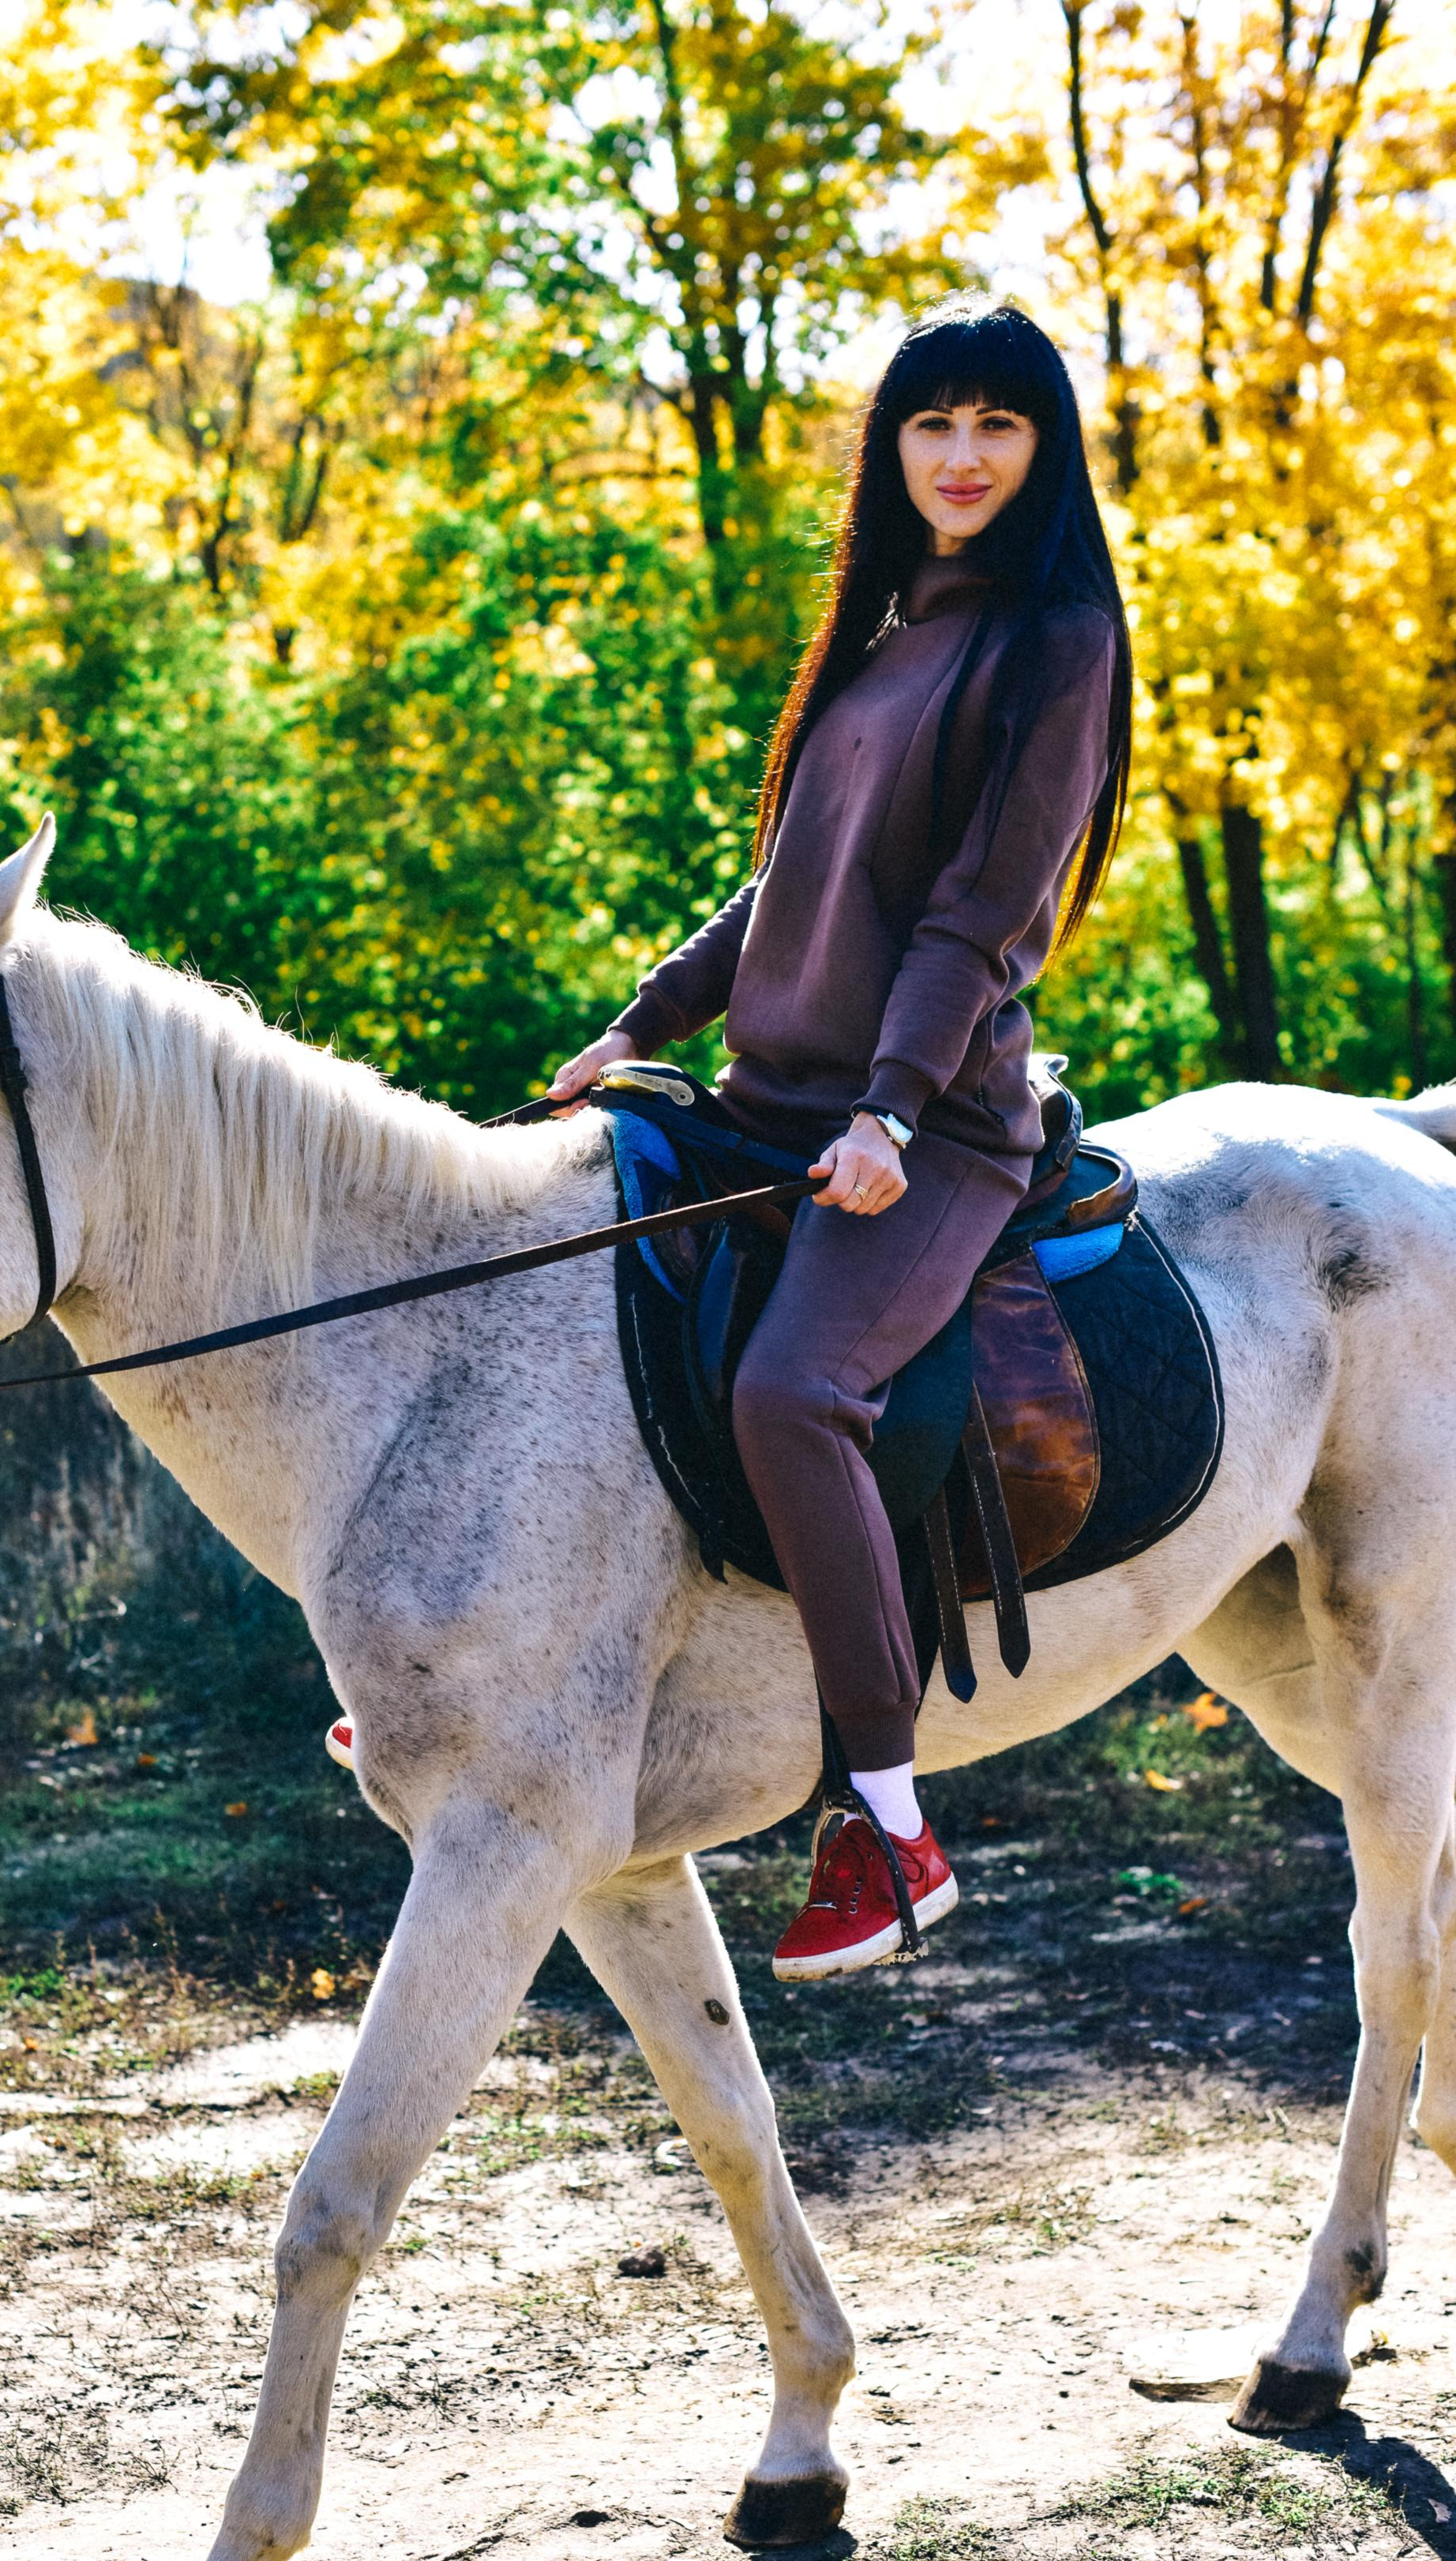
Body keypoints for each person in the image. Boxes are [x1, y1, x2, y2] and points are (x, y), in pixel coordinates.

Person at [546, 295, 1132, 1979]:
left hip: (928, 1122)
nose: (959, 456)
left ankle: (885, 1818)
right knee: (566, 1301)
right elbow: (784, 885)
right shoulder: (884, 630)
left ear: (1042, 450)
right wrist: (639, 1027)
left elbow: (980, 912)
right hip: (769, 1102)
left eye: (996, 427)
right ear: (889, 446)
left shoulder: (1054, 638)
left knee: (791, 1391)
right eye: (930, 424)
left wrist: (889, 1106)